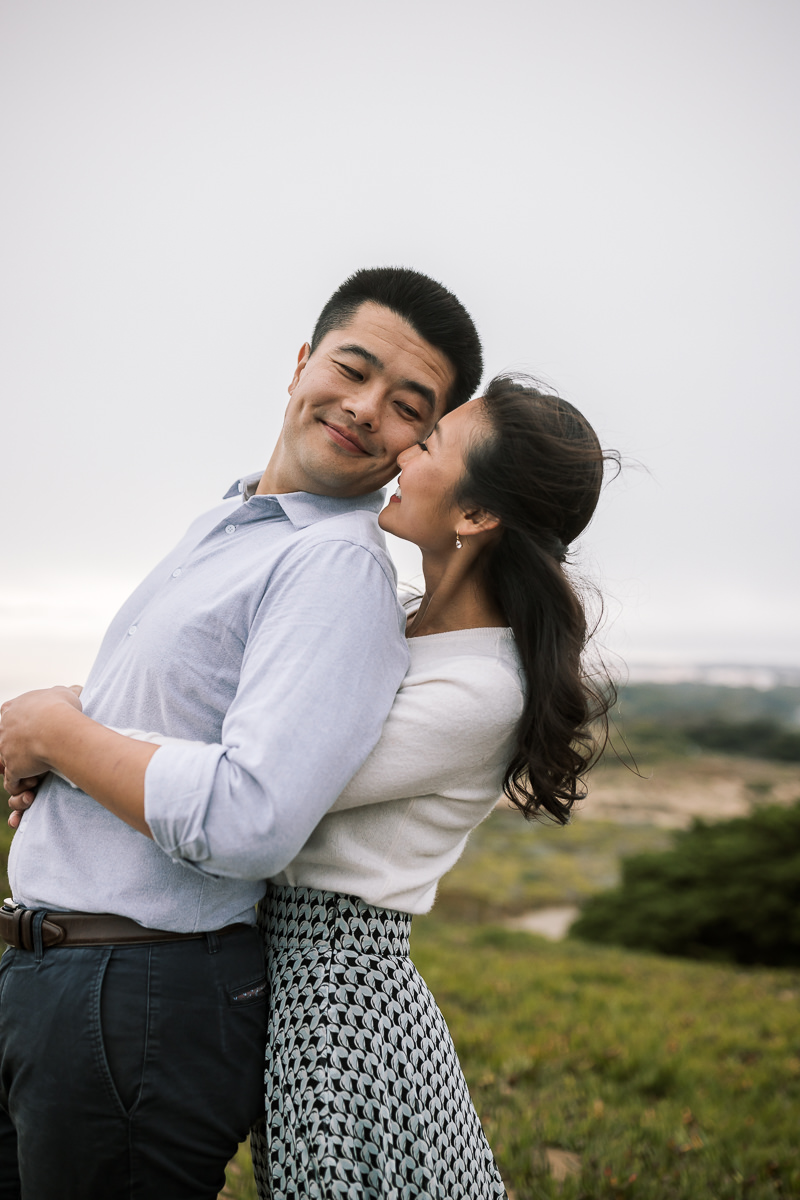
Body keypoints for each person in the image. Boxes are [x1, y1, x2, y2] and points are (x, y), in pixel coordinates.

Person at [3, 374, 617, 1199]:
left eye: (429, 441)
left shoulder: (481, 688)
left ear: (475, 516)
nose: (403, 444)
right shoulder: (402, 625)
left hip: (341, 1001)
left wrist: (66, 732)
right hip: (280, 965)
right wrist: (73, 743)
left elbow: (268, 776)